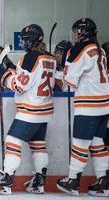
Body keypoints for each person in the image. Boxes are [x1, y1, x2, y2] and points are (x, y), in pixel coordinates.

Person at [0, 24, 56, 195]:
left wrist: (2, 75)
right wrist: (10, 68)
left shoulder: (30, 57)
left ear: (31, 40)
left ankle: (6, 180)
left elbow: (20, 85)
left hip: (30, 110)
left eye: (25, 39)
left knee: (12, 141)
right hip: (44, 110)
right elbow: (31, 77)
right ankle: (39, 182)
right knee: (38, 145)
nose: (24, 42)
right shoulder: (50, 58)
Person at [56, 18, 109, 197]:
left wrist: (65, 67)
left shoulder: (78, 49)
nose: (75, 35)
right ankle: (104, 180)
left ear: (83, 33)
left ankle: (73, 180)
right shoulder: (99, 49)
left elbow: (69, 81)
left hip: (88, 106)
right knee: (97, 144)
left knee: (80, 144)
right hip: (104, 106)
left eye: (77, 32)